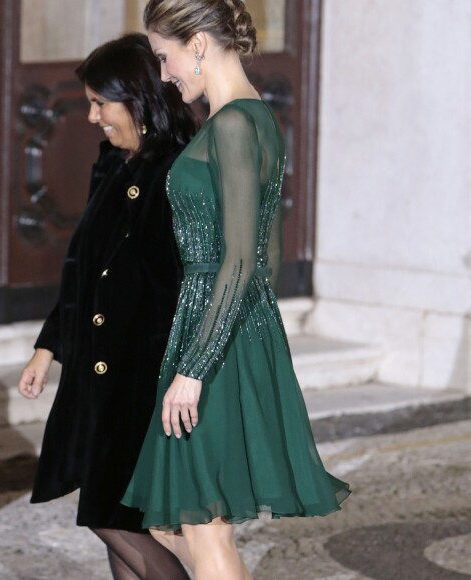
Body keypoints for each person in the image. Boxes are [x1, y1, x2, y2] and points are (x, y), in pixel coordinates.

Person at [121, 2, 351, 578]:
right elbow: (264, 257)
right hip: (224, 326)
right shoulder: (254, 119)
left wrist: (196, 366)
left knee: (204, 529)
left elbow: (245, 258)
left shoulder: (231, 124)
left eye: (165, 57)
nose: (166, 74)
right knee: (170, 523)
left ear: (198, 42)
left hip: (215, 339)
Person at [18, 33, 197, 580]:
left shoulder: (181, 172)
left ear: (140, 100)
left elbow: (192, 285)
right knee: (107, 513)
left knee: (113, 516)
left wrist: (185, 373)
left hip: (140, 378)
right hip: (95, 376)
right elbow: (82, 266)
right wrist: (48, 347)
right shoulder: (111, 164)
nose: (93, 117)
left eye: (102, 103)